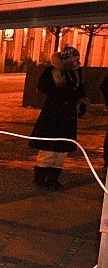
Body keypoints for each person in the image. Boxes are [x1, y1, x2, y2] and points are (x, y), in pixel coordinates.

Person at [29, 45, 85, 190]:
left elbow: (80, 92)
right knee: (48, 148)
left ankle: (53, 178)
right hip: (52, 116)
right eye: (74, 59)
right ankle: (40, 177)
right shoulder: (52, 71)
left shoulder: (76, 73)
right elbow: (42, 87)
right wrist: (56, 80)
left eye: (77, 59)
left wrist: (82, 104)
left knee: (61, 150)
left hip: (67, 118)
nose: (76, 62)